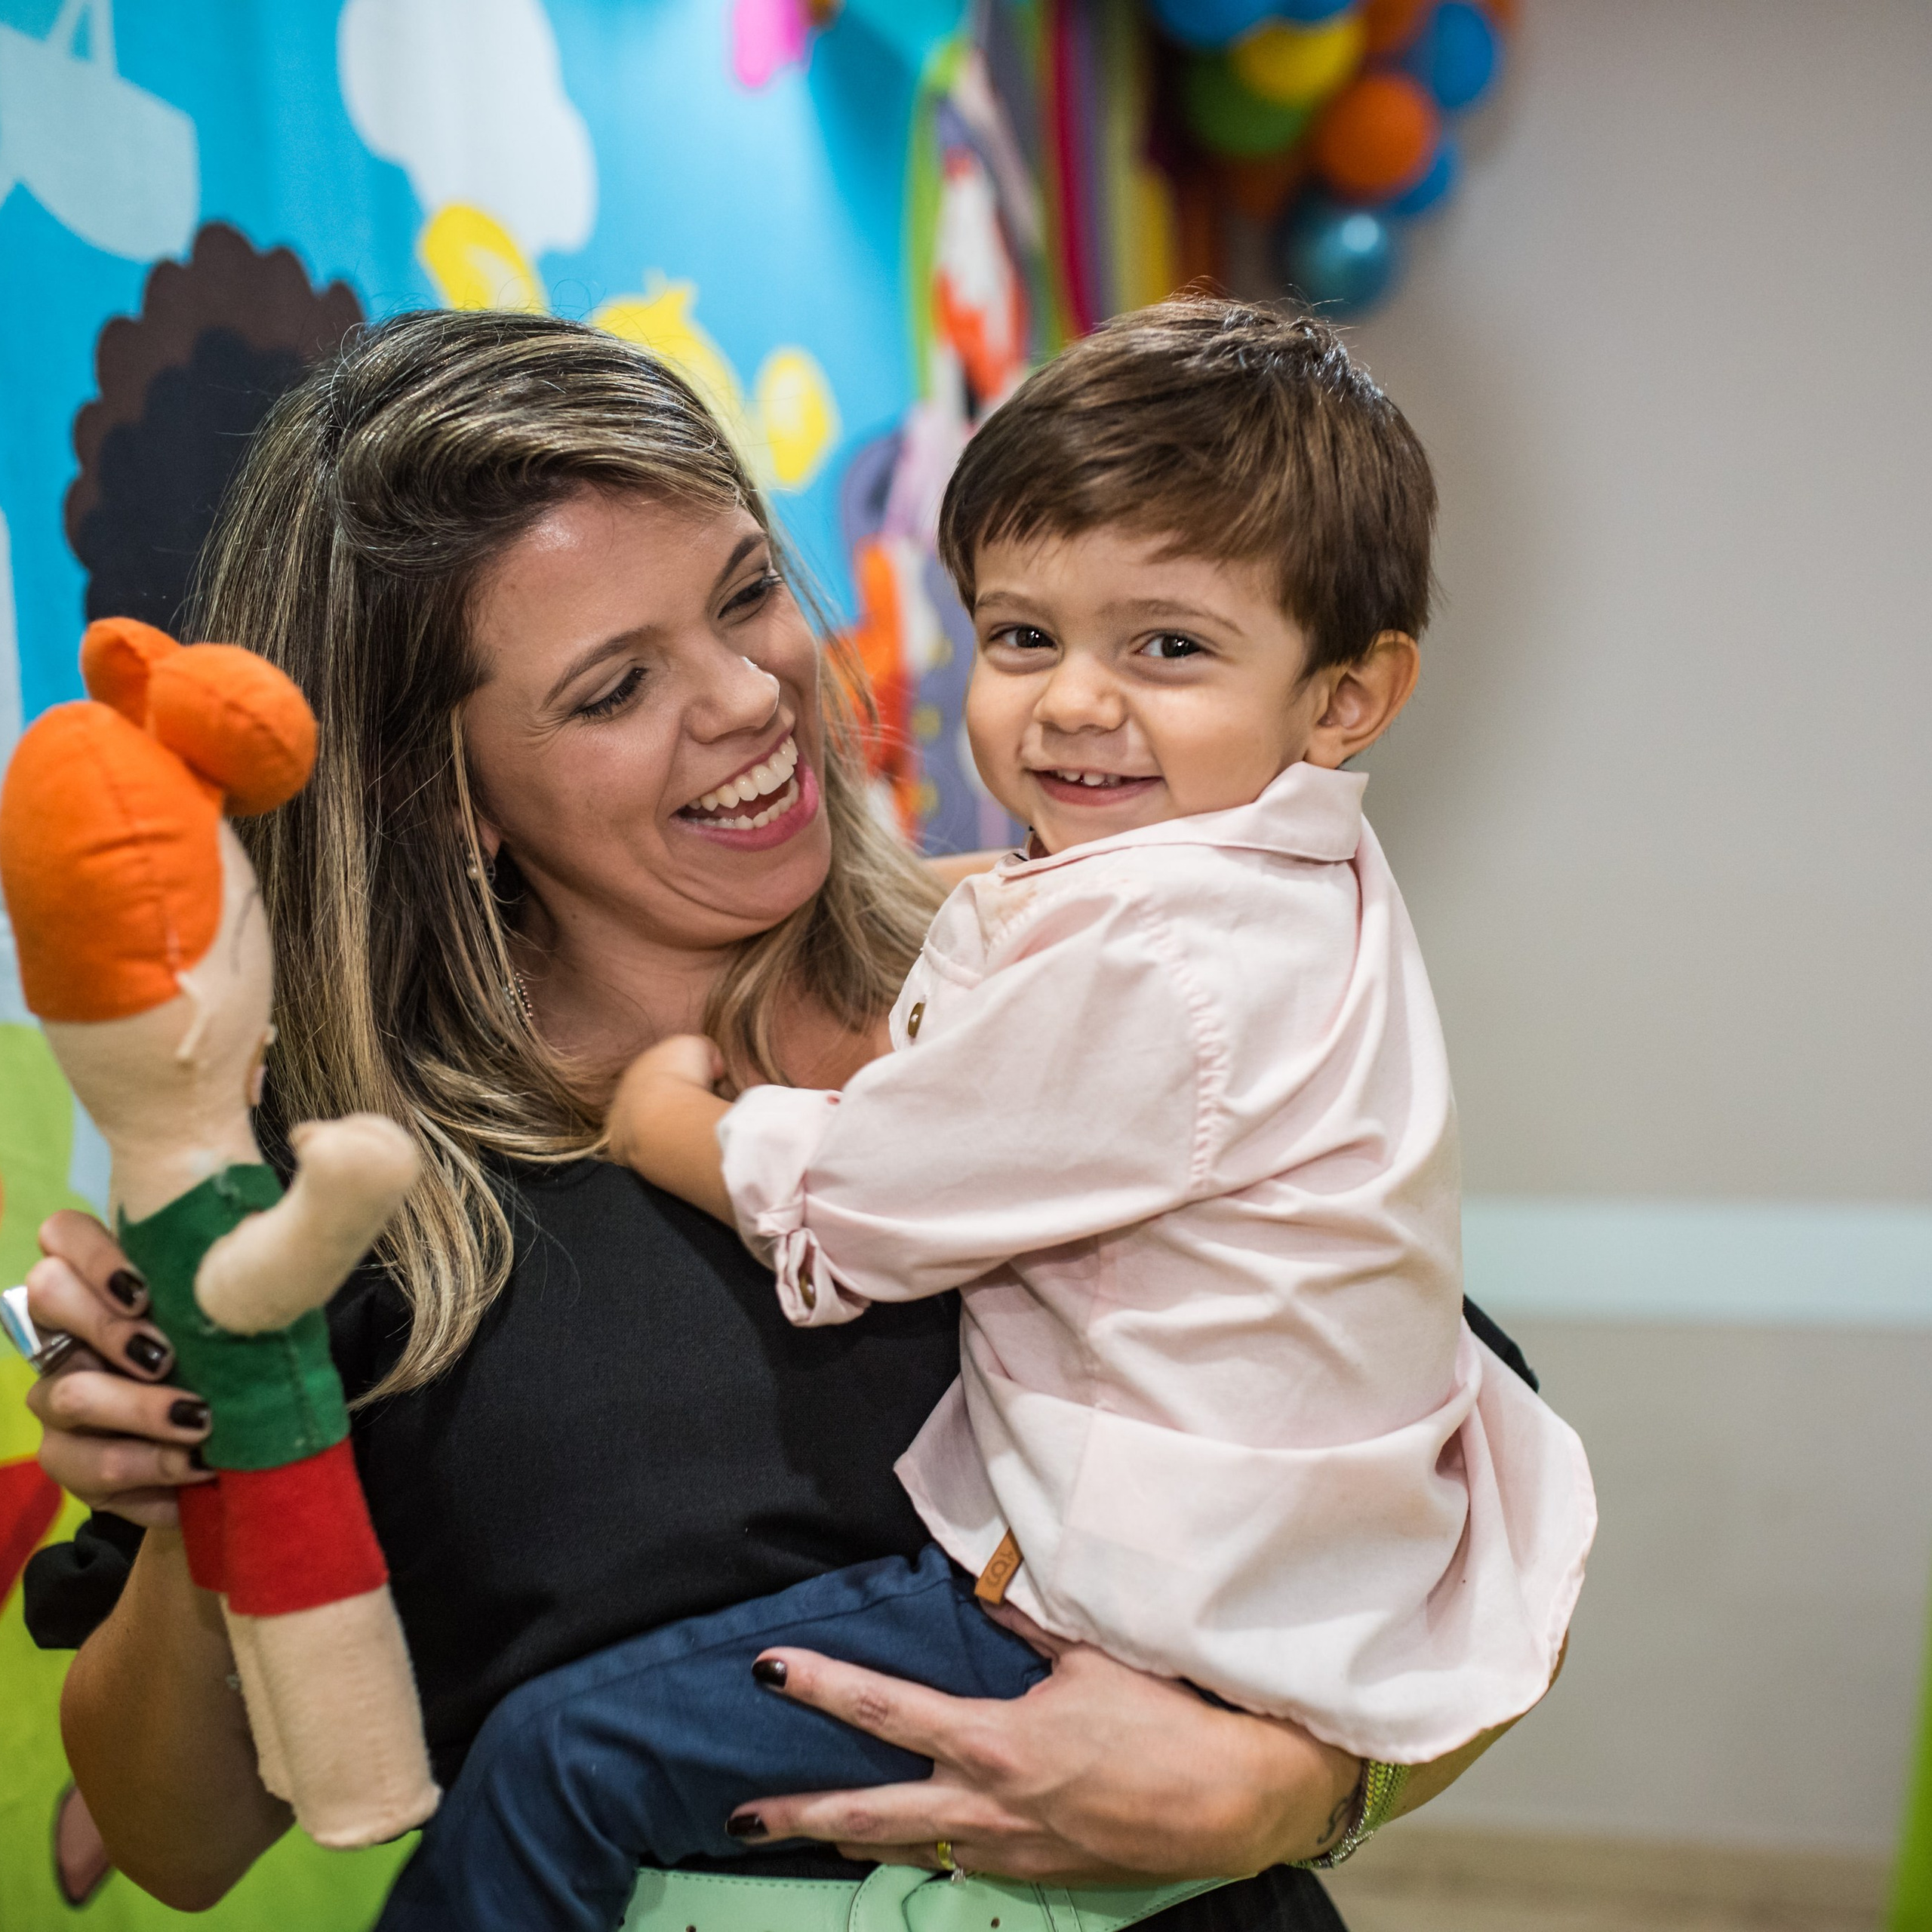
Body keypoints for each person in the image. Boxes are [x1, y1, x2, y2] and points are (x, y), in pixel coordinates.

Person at [21, 309, 1549, 1931]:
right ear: (438, 787)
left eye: (746, 590)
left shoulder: (1078, 981)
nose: (749, 692)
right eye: (615, 684)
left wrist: (1306, 1785)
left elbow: (1467, 1508)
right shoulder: (340, 1185)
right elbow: (180, 1841)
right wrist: (211, 1492)